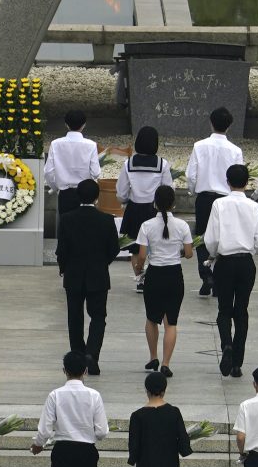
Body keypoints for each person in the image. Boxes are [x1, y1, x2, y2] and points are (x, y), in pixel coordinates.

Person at [205, 164, 258, 377]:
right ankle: (237, 363)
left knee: (224, 309)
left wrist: (213, 254)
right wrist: (251, 248)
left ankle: (226, 345)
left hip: (225, 261)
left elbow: (211, 238)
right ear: (247, 182)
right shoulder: (254, 207)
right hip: (245, 263)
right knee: (241, 310)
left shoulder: (219, 204)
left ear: (227, 181)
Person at [56, 177, 121, 377]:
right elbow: (114, 249)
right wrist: (102, 263)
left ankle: (77, 357)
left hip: (74, 275)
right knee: (98, 316)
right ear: (97, 197)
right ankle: (92, 354)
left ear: (78, 196)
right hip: (98, 275)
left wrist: (63, 268)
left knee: (74, 318)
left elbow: (62, 250)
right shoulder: (106, 220)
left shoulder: (67, 219)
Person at [134, 184, 193, 377]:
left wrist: (138, 269)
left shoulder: (147, 225)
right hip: (174, 275)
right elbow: (189, 253)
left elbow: (142, 255)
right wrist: (178, 252)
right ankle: (166, 363)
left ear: (155, 204)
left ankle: (153, 357)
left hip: (154, 275)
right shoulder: (182, 225)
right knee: (171, 322)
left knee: (151, 319)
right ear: (173, 204)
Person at [186, 106, 243, 295]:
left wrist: (194, 191)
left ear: (211, 123)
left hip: (205, 197)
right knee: (223, 238)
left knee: (202, 237)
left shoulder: (199, 146)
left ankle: (206, 276)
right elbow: (239, 175)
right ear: (229, 126)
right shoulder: (235, 150)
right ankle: (219, 280)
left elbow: (191, 175)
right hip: (226, 199)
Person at [116, 125, 173, 289]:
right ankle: (153, 279)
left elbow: (121, 192)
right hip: (155, 210)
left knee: (135, 248)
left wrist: (125, 200)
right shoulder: (162, 164)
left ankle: (140, 280)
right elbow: (168, 190)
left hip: (134, 210)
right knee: (156, 247)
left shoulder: (129, 164)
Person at [43, 109, 100, 218]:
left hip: (65, 193)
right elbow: (96, 173)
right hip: (85, 193)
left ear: (66, 124)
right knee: (84, 225)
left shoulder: (55, 144)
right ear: (84, 125)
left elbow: (48, 172)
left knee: (66, 224)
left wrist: (56, 187)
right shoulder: (91, 145)